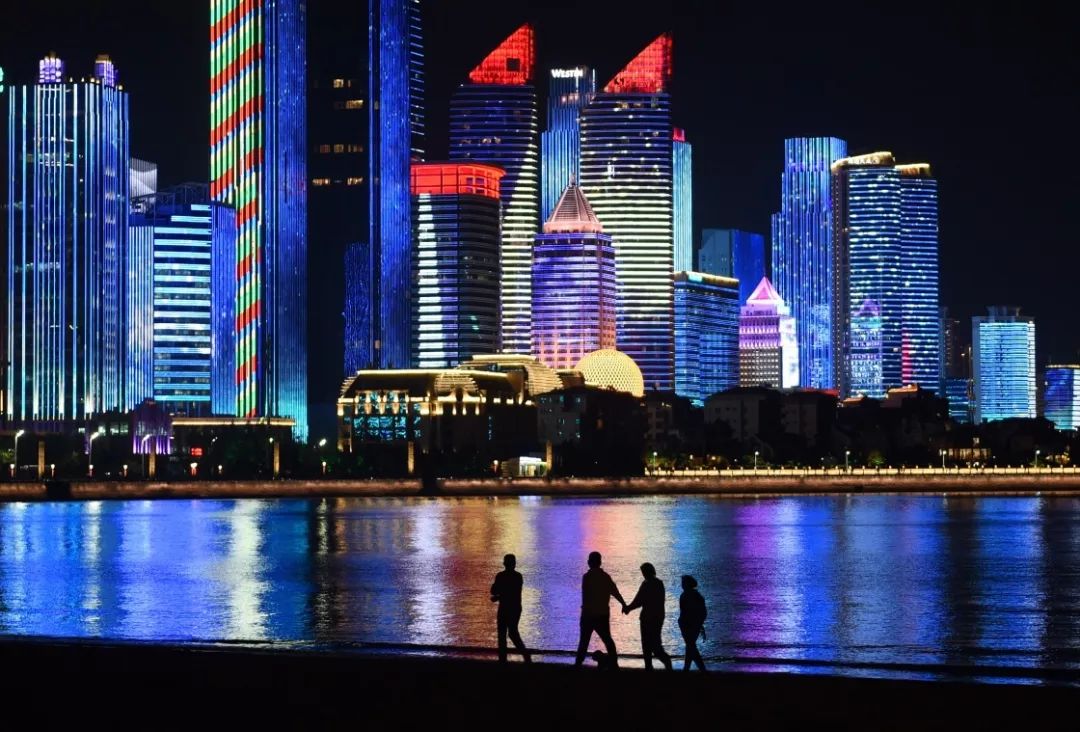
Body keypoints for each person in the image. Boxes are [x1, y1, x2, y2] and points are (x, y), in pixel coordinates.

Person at [574, 551, 627, 668]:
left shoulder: (586, 577)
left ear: (589, 562)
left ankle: (578, 664)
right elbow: (615, 592)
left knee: (583, 642)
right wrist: (624, 604)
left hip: (588, 615)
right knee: (608, 640)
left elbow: (587, 596)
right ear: (600, 562)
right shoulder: (605, 577)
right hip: (602, 615)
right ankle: (614, 663)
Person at [623, 562, 673, 671]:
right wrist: (629, 607)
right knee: (654, 644)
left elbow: (639, 601)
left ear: (647, 572)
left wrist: (628, 608)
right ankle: (658, 666)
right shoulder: (659, 583)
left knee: (648, 645)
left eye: (644, 572)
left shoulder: (647, 584)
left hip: (648, 618)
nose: (643, 574)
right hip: (657, 617)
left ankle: (657, 665)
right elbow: (641, 600)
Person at [490, 554, 531, 663]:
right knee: (512, 633)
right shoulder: (518, 576)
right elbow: (512, 593)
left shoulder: (500, 576)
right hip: (515, 608)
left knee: (503, 634)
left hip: (505, 607)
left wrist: (498, 596)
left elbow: (494, 590)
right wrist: (499, 595)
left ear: (504, 564)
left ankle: (505, 660)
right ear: (514, 564)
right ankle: (525, 656)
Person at [678, 575, 707, 671]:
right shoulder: (695, 595)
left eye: (683, 582)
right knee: (690, 646)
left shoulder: (689, 595)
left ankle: (698, 668)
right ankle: (688, 668)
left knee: (690, 646)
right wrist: (700, 624)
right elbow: (703, 612)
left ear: (687, 584)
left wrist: (699, 624)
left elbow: (700, 612)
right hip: (688, 624)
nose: (682, 584)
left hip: (689, 624)